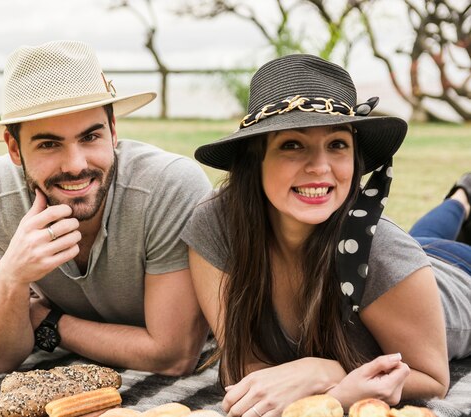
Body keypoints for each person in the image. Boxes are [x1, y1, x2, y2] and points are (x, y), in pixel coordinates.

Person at [180, 54, 471, 416]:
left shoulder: (388, 256)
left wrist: (327, 374)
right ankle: (463, 195)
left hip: (458, 276)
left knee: (433, 244)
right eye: (292, 144)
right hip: (416, 256)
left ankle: (463, 198)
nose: (320, 167)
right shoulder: (216, 226)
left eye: (337, 144)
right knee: (425, 235)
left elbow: (432, 377)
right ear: (255, 160)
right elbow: (246, 367)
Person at [0, 40, 211, 375]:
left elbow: (173, 356)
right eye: (49, 144)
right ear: (14, 149)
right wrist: (11, 278)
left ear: (113, 131)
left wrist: (46, 320)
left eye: (90, 137)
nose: (76, 166)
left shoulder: (169, 187)